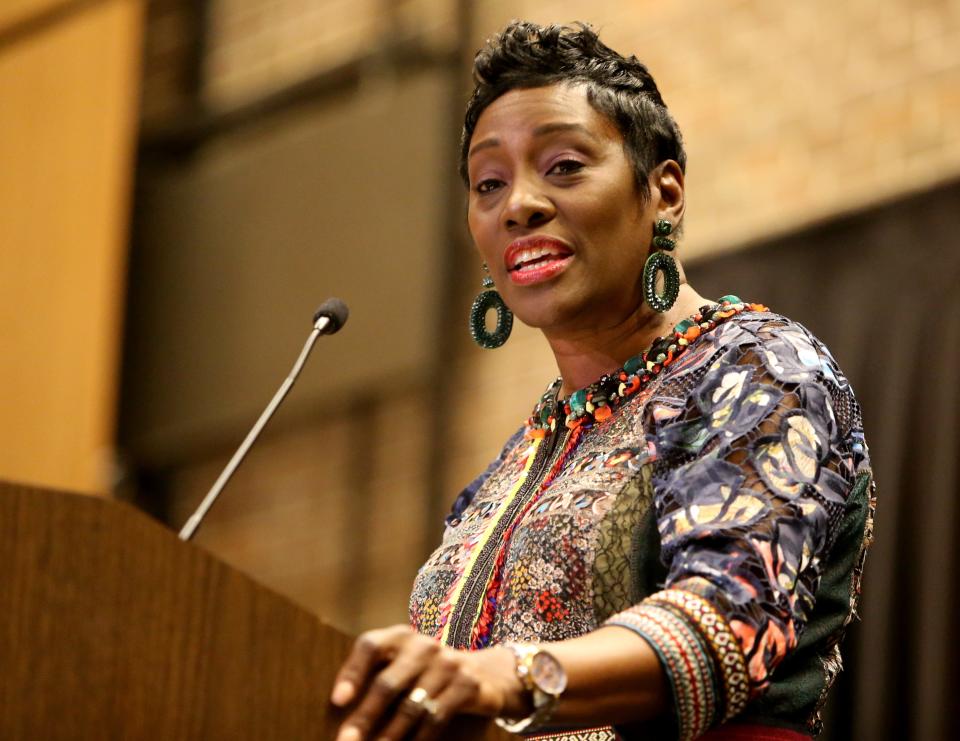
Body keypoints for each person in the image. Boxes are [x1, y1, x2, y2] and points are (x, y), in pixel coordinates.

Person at [330, 20, 875, 741]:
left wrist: (508, 675)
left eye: (562, 166)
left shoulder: (760, 368)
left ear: (665, 191)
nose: (518, 204)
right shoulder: (519, 458)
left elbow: (726, 621)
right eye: (489, 182)